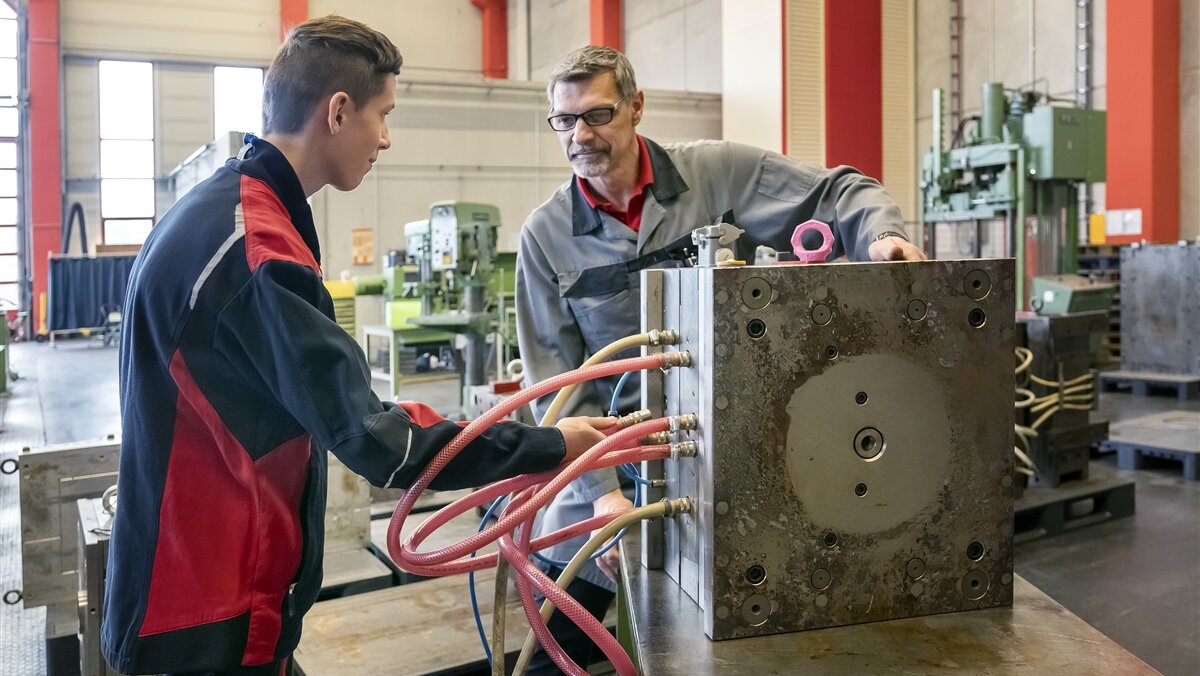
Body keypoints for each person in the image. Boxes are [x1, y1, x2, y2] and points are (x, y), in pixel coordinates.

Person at [101, 17, 612, 676]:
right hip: (208, 613)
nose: (387, 139)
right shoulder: (257, 248)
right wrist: (555, 443)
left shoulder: (221, 211)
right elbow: (379, 442)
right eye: (383, 115)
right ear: (339, 112)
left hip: (191, 593)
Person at [515, 45, 926, 672]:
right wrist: (600, 494)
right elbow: (557, 381)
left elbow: (841, 190)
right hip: (611, 471)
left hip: (737, 460)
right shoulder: (545, 237)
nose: (580, 136)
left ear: (636, 107)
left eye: (596, 115)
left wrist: (883, 236)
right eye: (564, 121)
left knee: (743, 632)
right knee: (550, 646)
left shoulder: (721, 176)